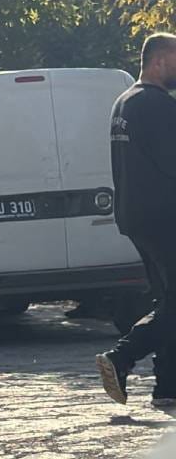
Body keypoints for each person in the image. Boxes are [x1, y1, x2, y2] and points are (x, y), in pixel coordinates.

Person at [96, 32, 176, 409]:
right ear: (159, 60)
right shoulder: (157, 105)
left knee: (168, 300)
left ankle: (168, 385)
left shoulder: (124, 102)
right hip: (164, 217)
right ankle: (122, 357)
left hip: (136, 216)